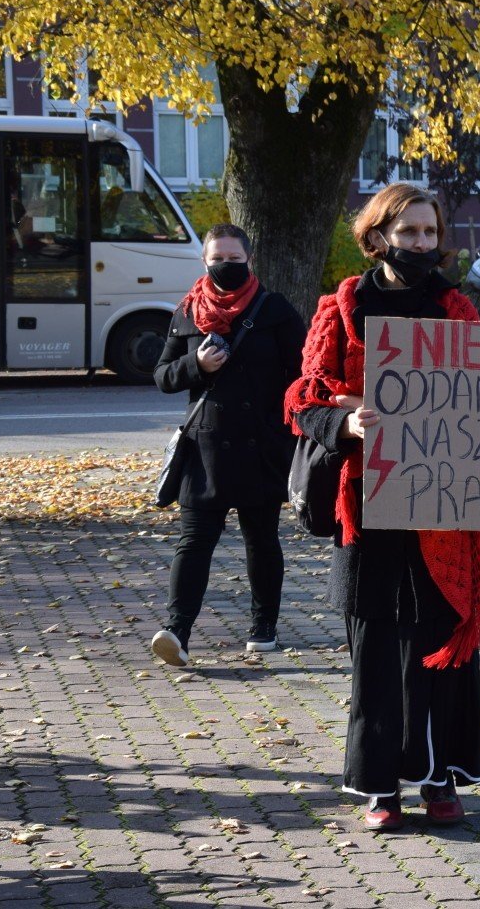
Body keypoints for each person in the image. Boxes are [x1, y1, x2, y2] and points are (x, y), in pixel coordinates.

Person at [284, 183, 480, 830]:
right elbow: (301, 400)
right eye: (408, 233)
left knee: (439, 647)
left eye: (430, 233)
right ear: (378, 236)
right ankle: (381, 787)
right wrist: (344, 427)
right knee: (375, 649)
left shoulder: (456, 308)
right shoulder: (343, 307)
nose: (421, 245)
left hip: (441, 506)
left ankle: (439, 781)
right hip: (367, 506)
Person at [150, 224, 305, 667]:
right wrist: (194, 365)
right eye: (218, 259)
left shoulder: (275, 309)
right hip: (206, 449)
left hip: (262, 447)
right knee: (194, 540)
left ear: (249, 260)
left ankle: (264, 627)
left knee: (261, 539)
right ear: (205, 261)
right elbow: (162, 376)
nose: (226, 267)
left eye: (235, 260)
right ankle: (177, 630)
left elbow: (302, 373)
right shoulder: (187, 311)